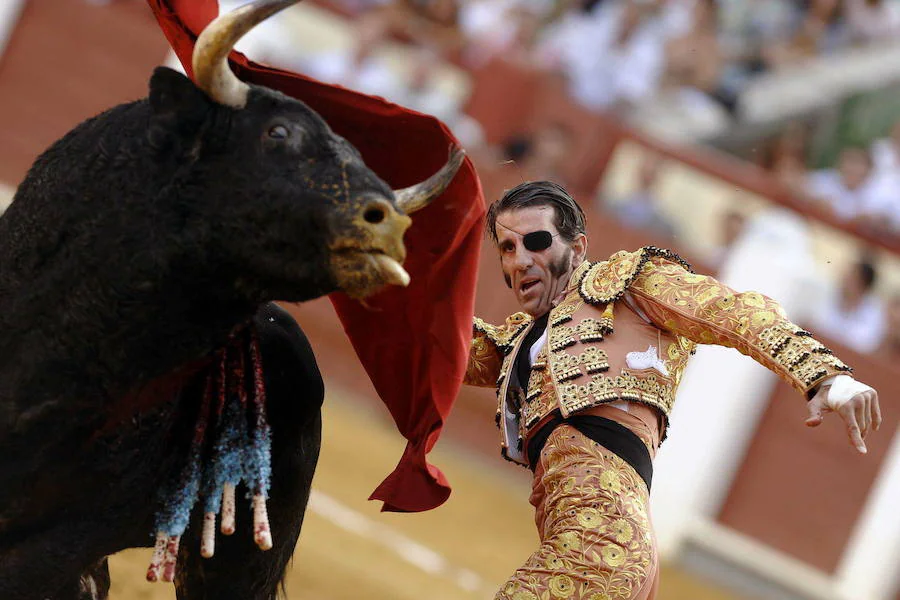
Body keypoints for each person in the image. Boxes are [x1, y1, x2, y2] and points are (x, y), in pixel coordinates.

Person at [463, 181, 881, 599]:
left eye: (536, 241)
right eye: (507, 248)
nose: (520, 261)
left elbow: (730, 312)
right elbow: (454, 351)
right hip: (593, 547)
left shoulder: (628, 288)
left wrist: (824, 374)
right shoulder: (522, 343)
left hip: (599, 548)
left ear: (577, 248)